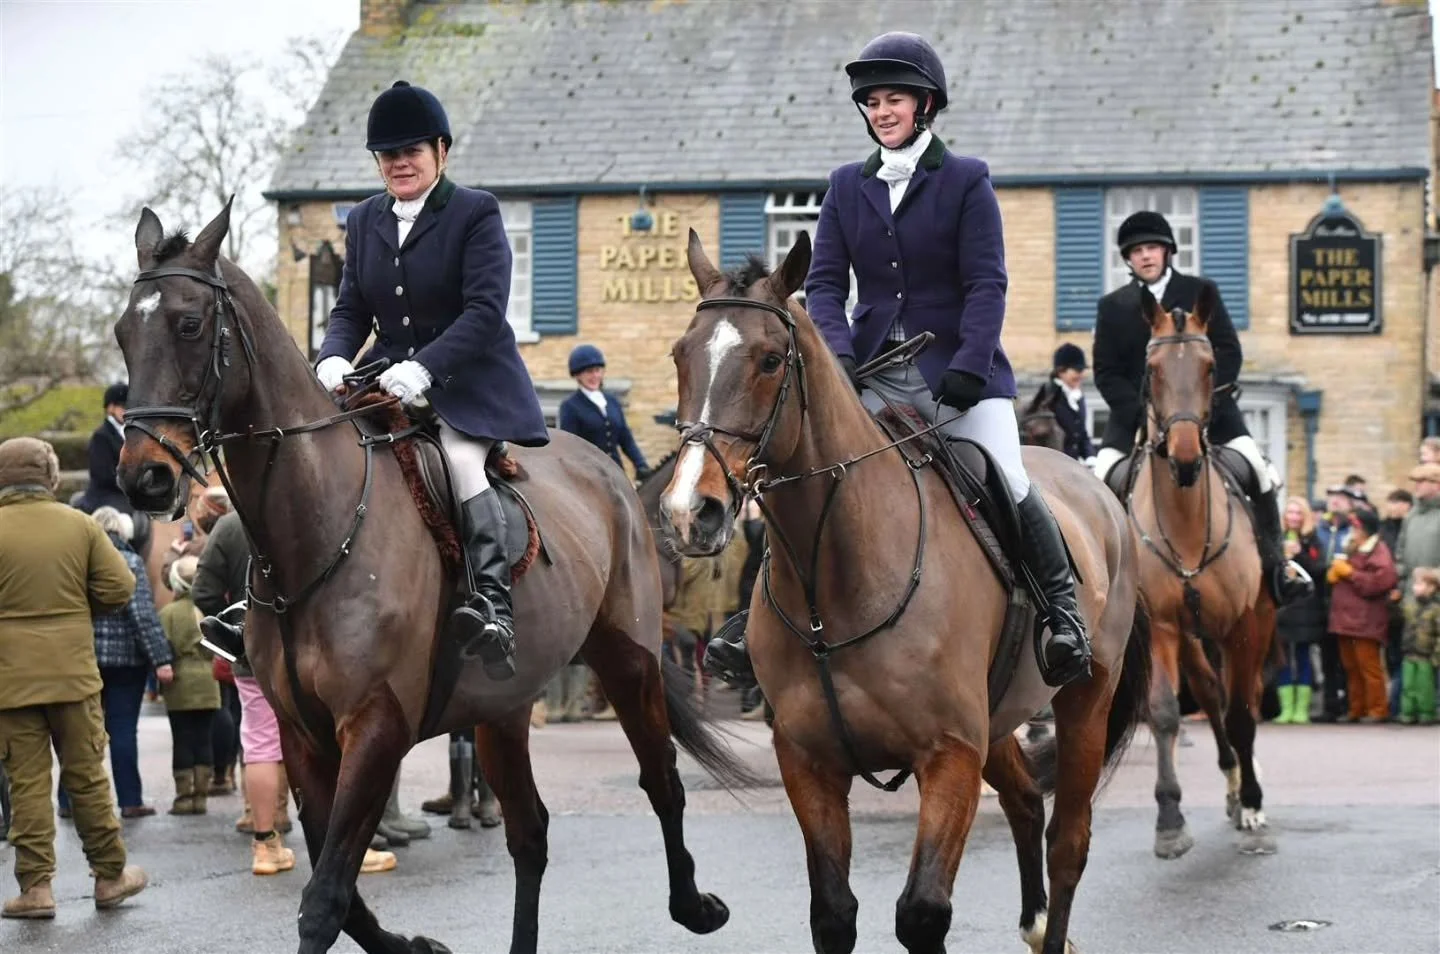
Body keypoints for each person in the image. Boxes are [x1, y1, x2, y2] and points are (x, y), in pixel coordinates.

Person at [739, 30, 1087, 687]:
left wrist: (972, 366)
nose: (881, 111)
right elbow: (824, 285)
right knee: (802, 480)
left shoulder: (966, 180)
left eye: (893, 99)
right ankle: (747, 624)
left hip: (957, 372)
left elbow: (988, 284)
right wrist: (837, 359)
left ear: (925, 105)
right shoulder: (845, 186)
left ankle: (1062, 613)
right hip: (870, 374)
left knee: (1007, 478)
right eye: (871, 102)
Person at [313, 80, 549, 682]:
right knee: (315, 448)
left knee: (462, 460)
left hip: (468, 380)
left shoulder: (475, 211)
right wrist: (333, 357)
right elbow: (350, 310)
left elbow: (484, 311)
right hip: (385, 373)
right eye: (387, 154)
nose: (398, 162)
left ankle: (492, 604)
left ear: (440, 151)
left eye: (411, 150)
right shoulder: (365, 219)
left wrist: (426, 367)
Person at [1091, 211, 1308, 607]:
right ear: (1128, 259)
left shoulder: (1199, 291)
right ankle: (1103, 584)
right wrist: (1145, 417)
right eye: (1136, 251)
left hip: (1210, 413)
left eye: (1151, 248)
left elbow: (1228, 350)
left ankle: (1277, 569)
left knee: (1257, 470)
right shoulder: (1113, 306)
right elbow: (1106, 372)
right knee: (1100, 478)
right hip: (1137, 421)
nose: (1145, 256)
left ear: (1168, 251)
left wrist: (1203, 408)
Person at [0, 437, 149, 918]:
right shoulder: (81, 525)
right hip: (74, 674)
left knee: (26, 785)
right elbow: (120, 586)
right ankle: (109, 876)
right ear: (50, 476)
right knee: (87, 778)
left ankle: (36, 888)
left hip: (11, 680)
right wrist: (78, 611)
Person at [72, 506, 175, 820]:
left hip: (84, 659)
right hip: (126, 663)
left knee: (78, 733)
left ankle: (68, 802)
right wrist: (161, 659)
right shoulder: (130, 562)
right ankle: (130, 800)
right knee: (123, 730)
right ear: (123, 532)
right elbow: (143, 616)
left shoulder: (78, 564)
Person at [159, 556, 220, 815]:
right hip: (209, 682)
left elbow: (163, 646)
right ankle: (201, 798)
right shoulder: (209, 610)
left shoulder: (168, 613)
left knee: (182, 739)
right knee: (204, 739)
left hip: (180, 684)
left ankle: (184, 798)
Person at [1326, 506, 1398, 723]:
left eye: (1356, 527)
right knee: (1351, 668)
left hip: (1366, 620)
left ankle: (1377, 710)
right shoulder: (1352, 548)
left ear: (1365, 529)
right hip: (1345, 619)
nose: (1352, 532)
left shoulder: (1378, 550)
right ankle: (1356, 709)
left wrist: (1350, 573)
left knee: (1369, 668)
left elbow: (1381, 581)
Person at [76, 383, 151, 559]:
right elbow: (102, 475)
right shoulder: (101, 436)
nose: (127, 411)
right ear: (111, 408)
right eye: (124, 406)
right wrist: (133, 484)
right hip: (107, 494)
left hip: (127, 492)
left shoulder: (131, 433)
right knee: (126, 523)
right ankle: (125, 558)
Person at [559, 344, 652, 480]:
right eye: (589, 372)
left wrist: (641, 464)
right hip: (589, 476)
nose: (595, 375)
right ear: (578, 375)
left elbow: (625, 438)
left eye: (598, 370)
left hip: (616, 473)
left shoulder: (612, 402)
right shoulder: (570, 406)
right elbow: (570, 449)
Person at [1274, 497, 1325, 723]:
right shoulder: (1276, 537)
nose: (1293, 517)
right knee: (1282, 657)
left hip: (1305, 607)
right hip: (1283, 606)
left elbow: (1319, 569)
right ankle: (1286, 708)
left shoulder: (1313, 540)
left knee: (1303, 656)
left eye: (1297, 513)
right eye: (1290, 513)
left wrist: (1300, 554)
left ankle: (1301, 708)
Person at [1032, 343, 1096, 465]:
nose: (1081, 375)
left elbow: (1081, 433)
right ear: (1061, 370)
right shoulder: (1047, 396)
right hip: (1052, 464)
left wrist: (1090, 456)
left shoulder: (1078, 397)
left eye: (1082, 370)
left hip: (1073, 465)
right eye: (1077, 370)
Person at [1398, 567, 1440, 724]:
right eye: (1415, 584)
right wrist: (1393, 604)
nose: (1415, 587)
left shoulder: (1436, 609)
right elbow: (1398, 617)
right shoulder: (1410, 605)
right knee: (1408, 685)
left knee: (1425, 686)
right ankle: (1407, 713)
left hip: (1426, 654)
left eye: (1419, 584)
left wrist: (1437, 655)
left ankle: (1426, 713)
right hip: (1409, 651)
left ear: (1431, 588)